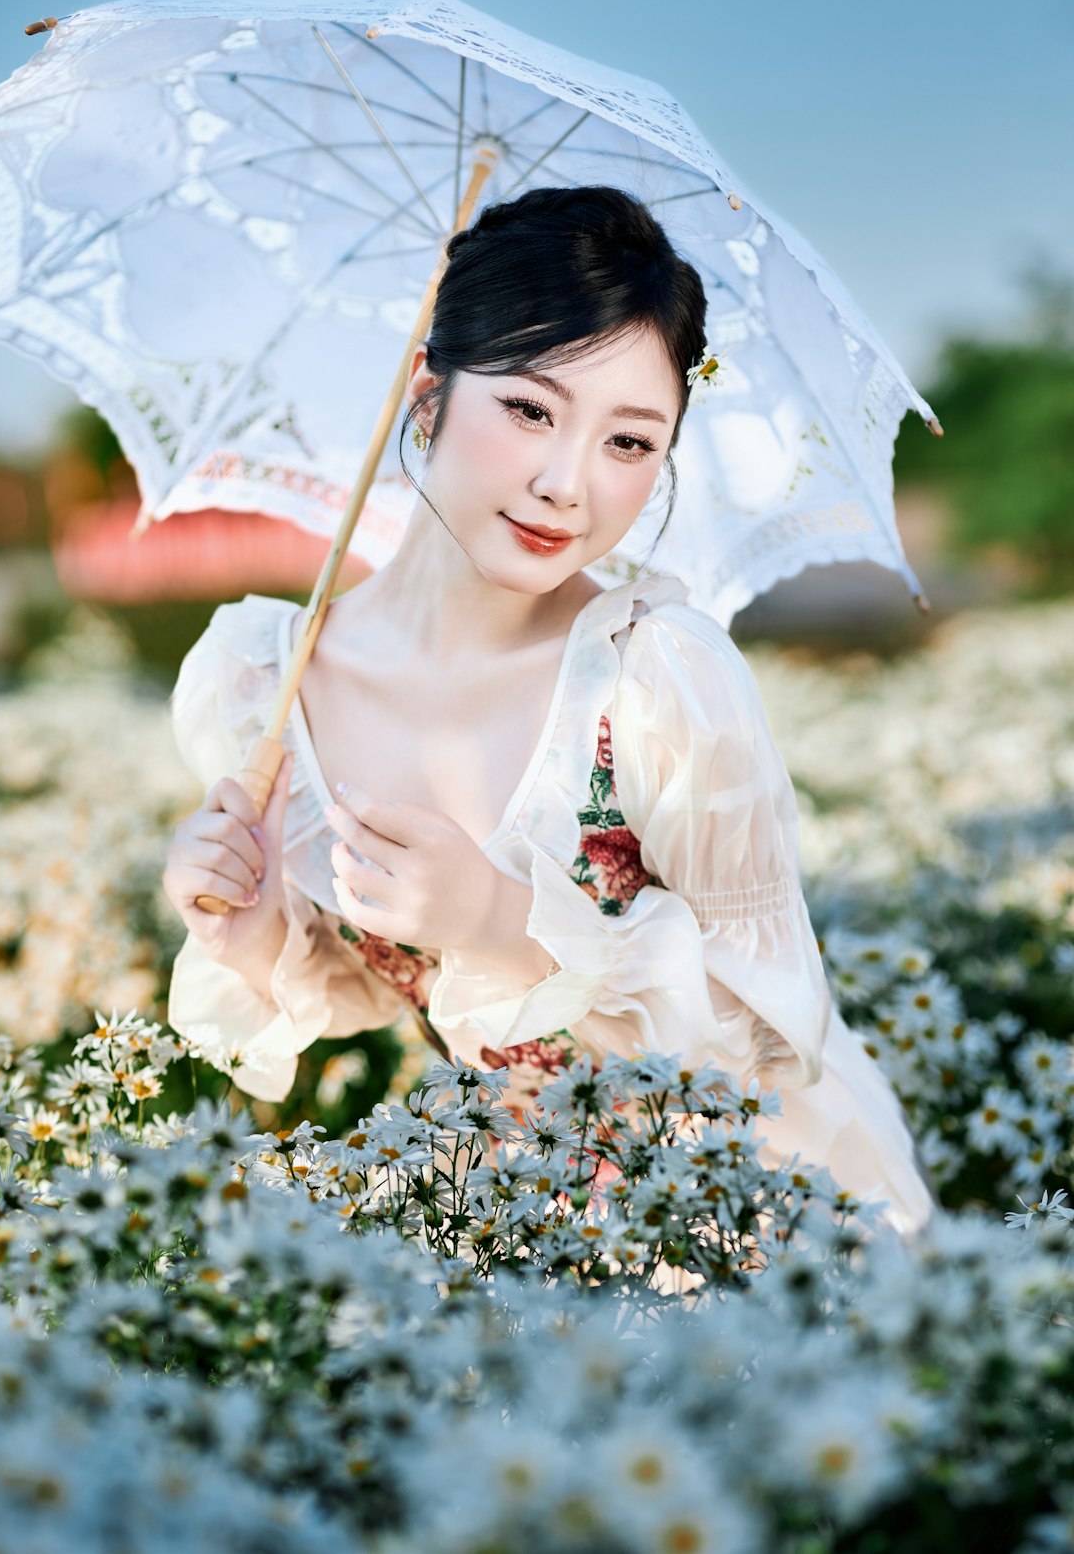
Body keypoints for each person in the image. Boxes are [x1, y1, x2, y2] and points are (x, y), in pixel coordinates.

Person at [162, 185, 938, 1238]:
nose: (566, 485)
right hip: (495, 1204)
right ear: (427, 394)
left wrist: (499, 920)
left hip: (739, 1208)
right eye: (528, 409)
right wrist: (256, 939)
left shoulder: (658, 678)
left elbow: (759, 1039)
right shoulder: (268, 678)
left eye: (629, 442)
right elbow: (370, 990)